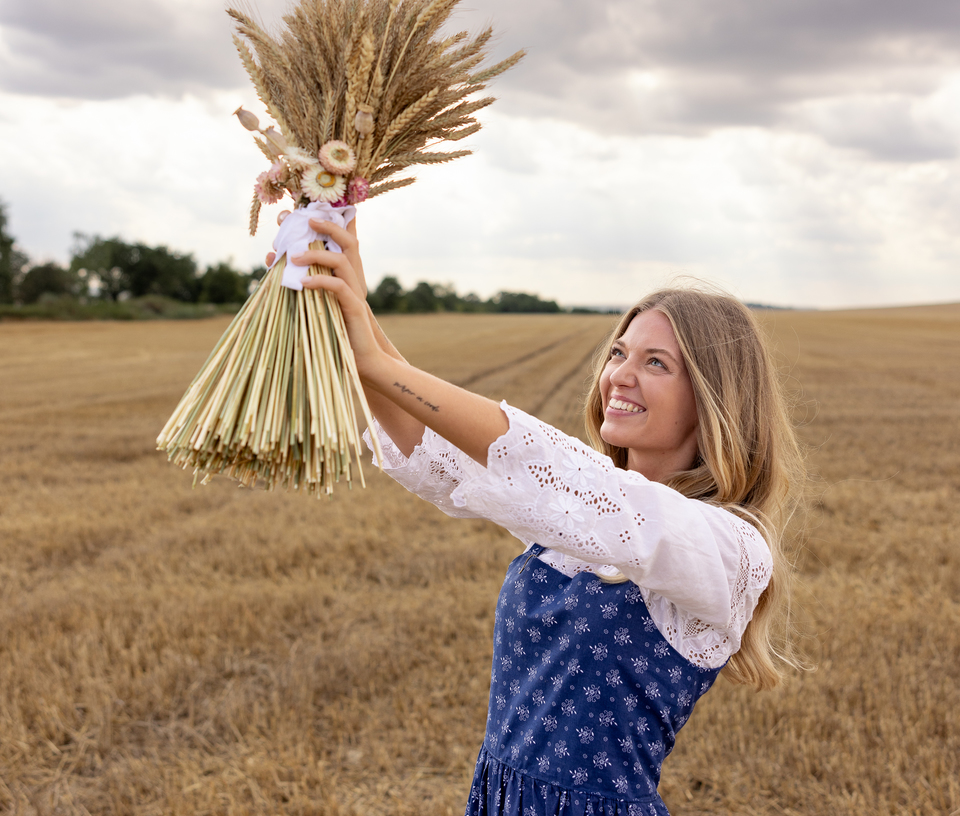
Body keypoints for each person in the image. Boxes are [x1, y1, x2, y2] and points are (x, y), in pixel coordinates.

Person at [268, 217, 804, 816]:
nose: (619, 375)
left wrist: (375, 358)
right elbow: (446, 454)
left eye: (657, 364)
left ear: (714, 398)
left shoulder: (729, 550)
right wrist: (349, 316)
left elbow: (560, 473)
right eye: (620, 353)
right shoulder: (571, 525)